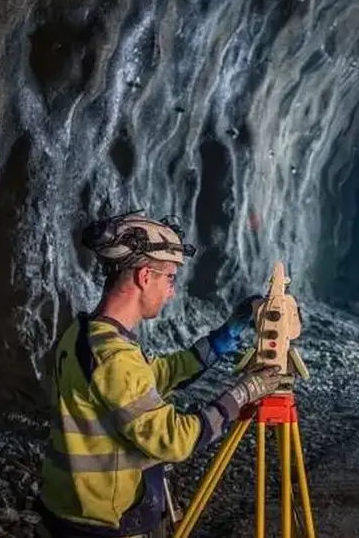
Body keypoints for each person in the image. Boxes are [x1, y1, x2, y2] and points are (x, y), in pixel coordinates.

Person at [36, 211, 283, 538]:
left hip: (68, 508)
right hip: (97, 524)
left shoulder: (85, 333)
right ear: (144, 276)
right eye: (169, 278)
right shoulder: (113, 356)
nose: (172, 292)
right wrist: (242, 394)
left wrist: (224, 337)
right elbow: (175, 440)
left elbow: (157, 375)